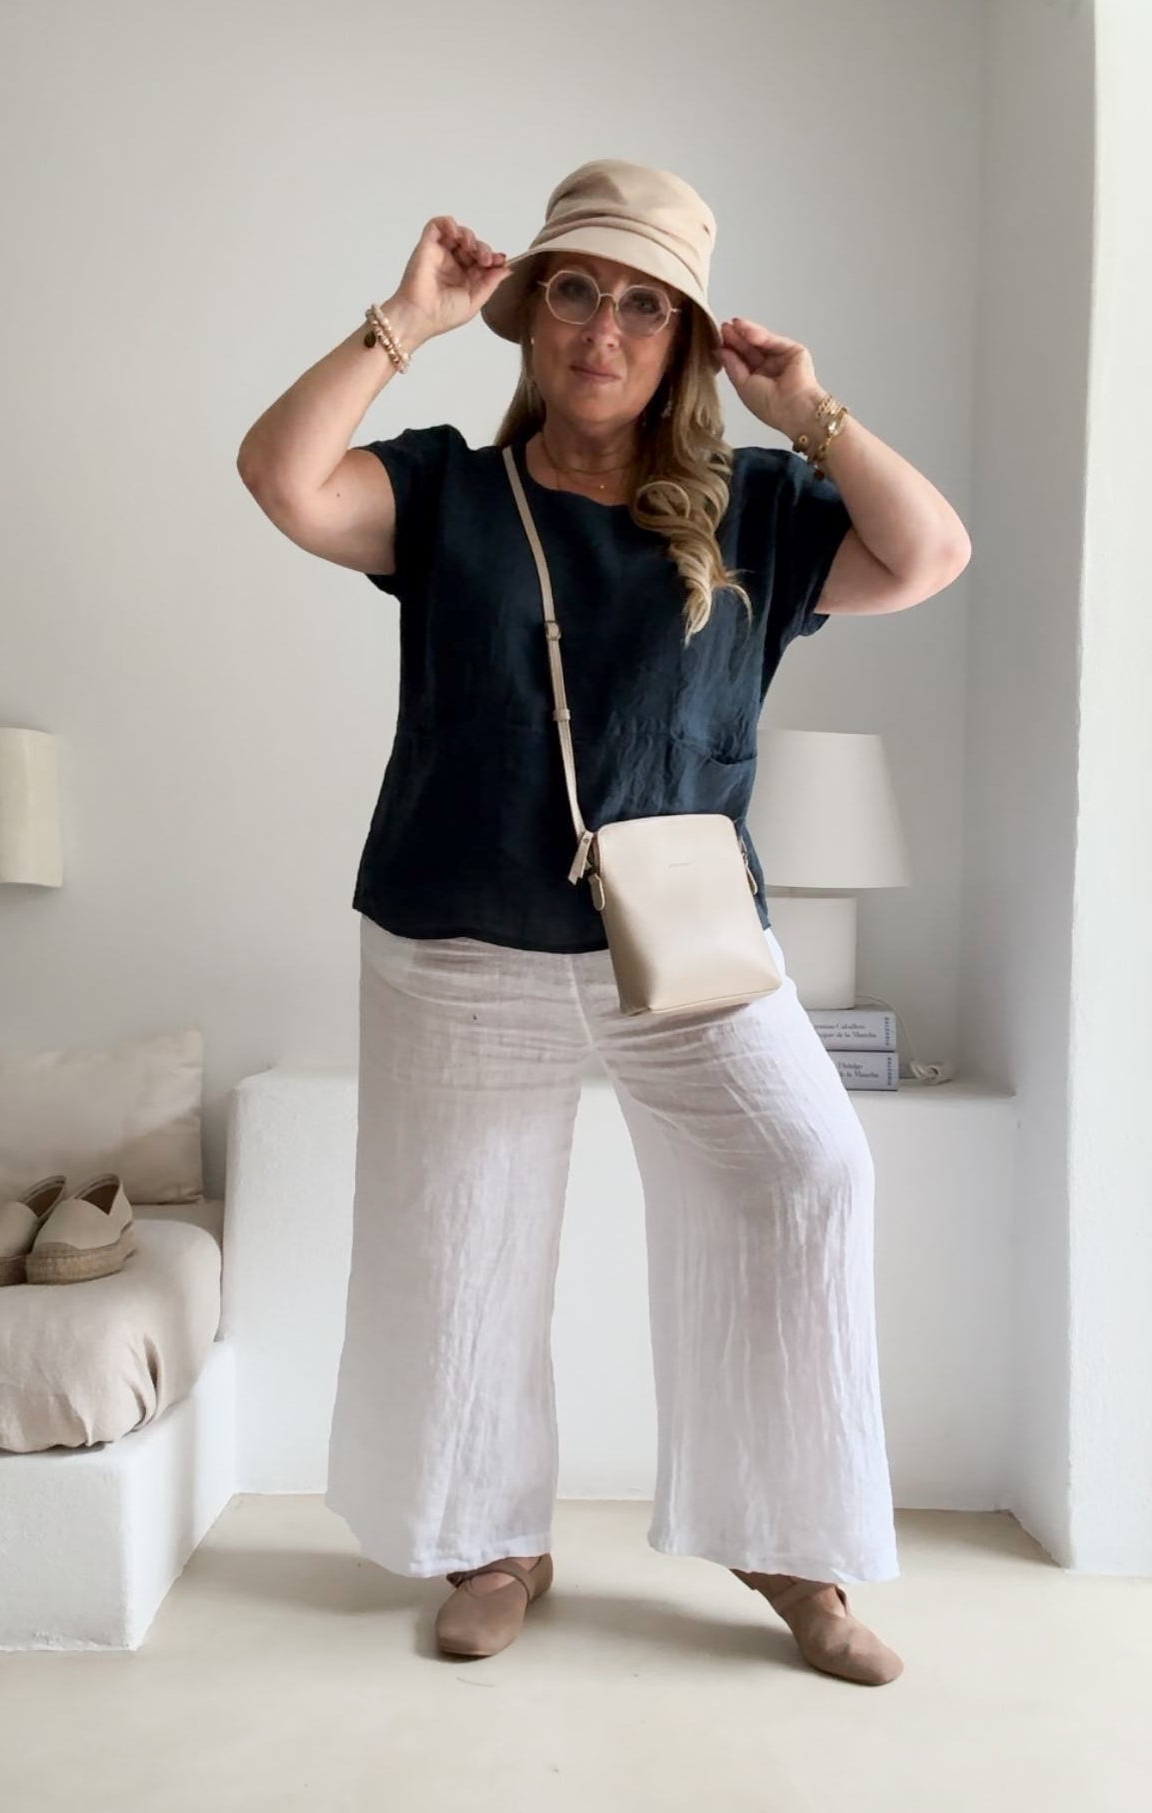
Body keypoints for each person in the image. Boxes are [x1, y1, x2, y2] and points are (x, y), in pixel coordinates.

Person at [237, 159, 971, 1686]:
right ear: (534, 313)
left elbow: (929, 553)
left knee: (808, 1172)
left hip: (686, 934)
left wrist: (809, 410)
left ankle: (791, 1544)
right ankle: (491, 1541)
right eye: (575, 287)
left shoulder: (756, 508)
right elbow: (284, 478)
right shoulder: (447, 492)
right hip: (459, 925)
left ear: (684, 338)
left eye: (645, 303)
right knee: (458, 1239)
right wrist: (404, 319)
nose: (602, 326)